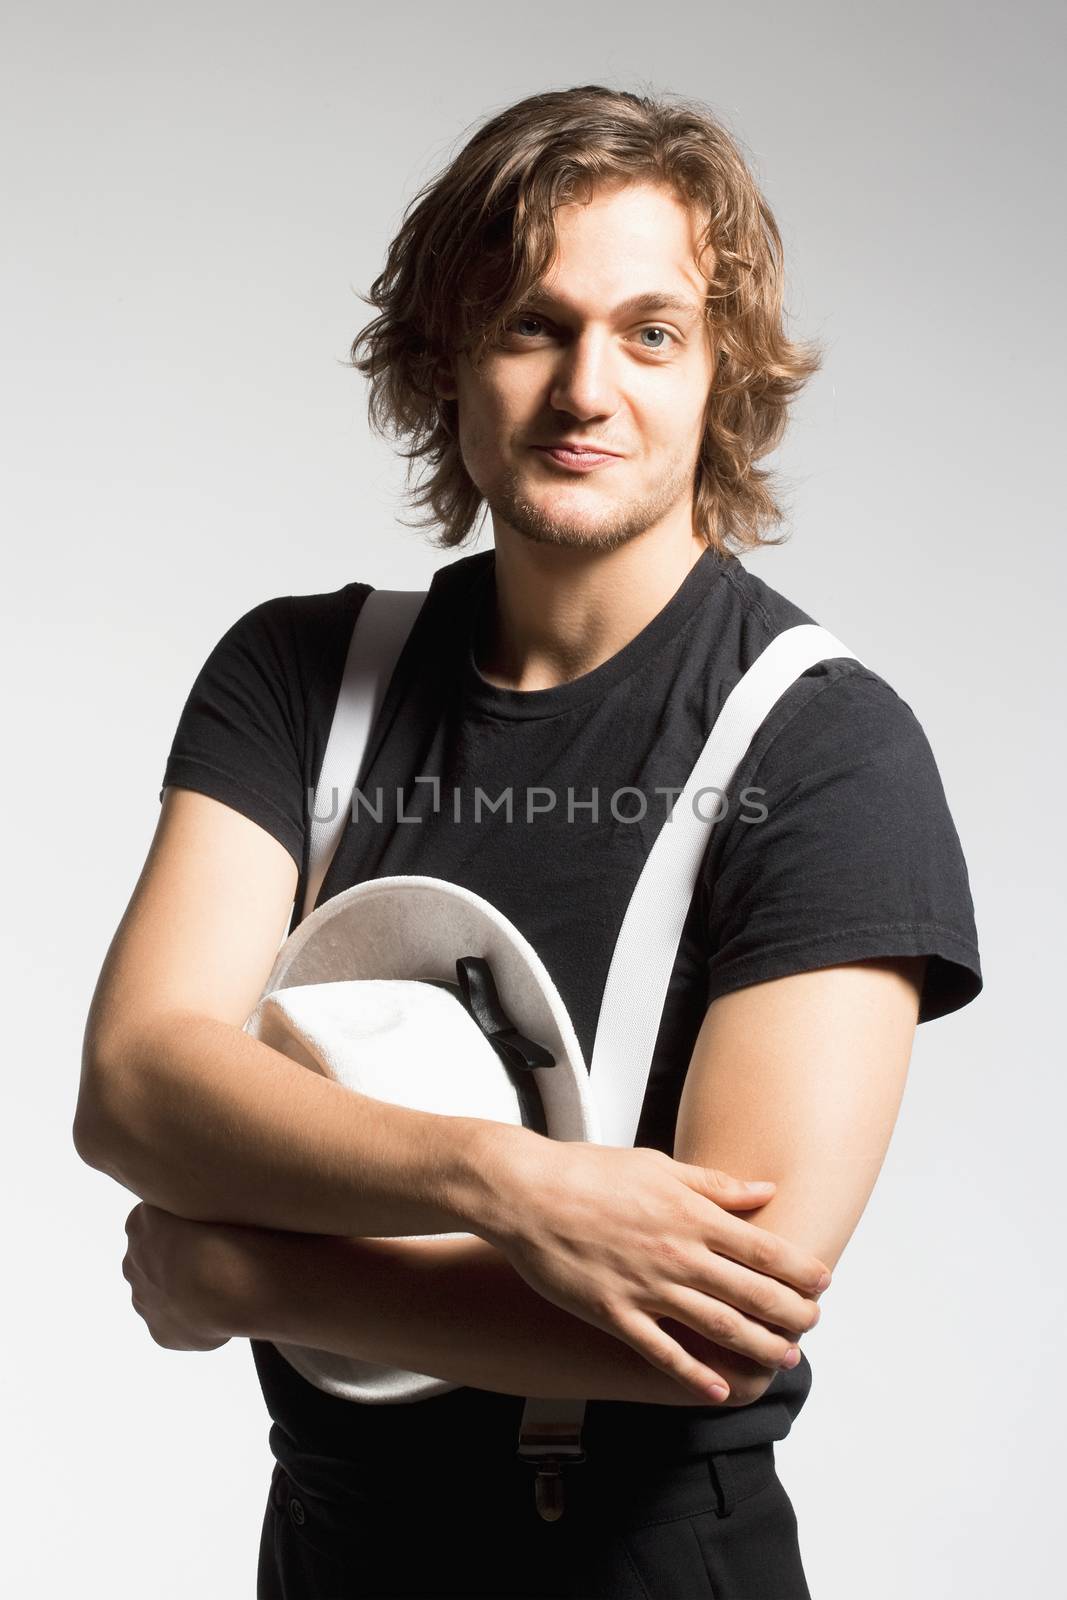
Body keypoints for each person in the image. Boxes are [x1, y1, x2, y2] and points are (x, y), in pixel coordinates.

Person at [74, 84, 983, 1599]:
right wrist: (512, 1184)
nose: (586, 390)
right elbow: (135, 1087)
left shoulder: (828, 749)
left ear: (720, 376)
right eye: (528, 326)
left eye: (649, 333)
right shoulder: (300, 679)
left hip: (633, 1560)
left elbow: (720, 1326)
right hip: (328, 1542)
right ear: (445, 362)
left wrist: (250, 1271)